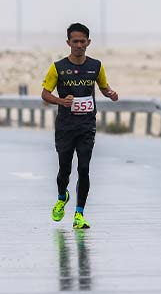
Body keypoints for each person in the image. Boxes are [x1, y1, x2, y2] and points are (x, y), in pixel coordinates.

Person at [41, 23, 118, 229]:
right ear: (68, 43)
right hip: (66, 127)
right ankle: (61, 196)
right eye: (74, 41)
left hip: (86, 125)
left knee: (84, 168)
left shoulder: (96, 66)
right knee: (64, 170)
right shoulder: (57, 67)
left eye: (82, 41)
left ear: (88, 42)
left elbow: (103, 87)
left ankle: (79, 214)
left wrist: (110, 93)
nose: (78, 45)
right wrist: (60, 101)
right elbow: (45, 94)